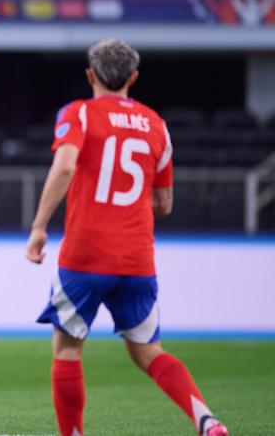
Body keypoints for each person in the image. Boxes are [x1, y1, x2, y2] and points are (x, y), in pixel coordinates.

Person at [25, 38, 229, 436]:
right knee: (149, 351)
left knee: (67, 349)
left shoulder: (79, 114)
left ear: (90, 75)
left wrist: (38, 227)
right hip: (137, 257)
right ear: (133, 77)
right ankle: (205, 418)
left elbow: (65, 167)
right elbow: (164, 202)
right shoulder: (157, 125)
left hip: (84, 254)